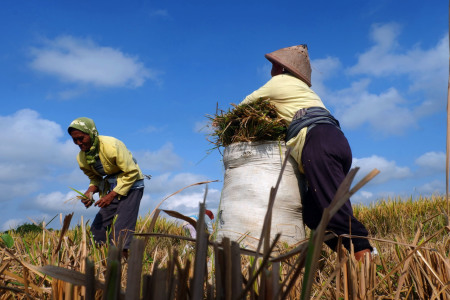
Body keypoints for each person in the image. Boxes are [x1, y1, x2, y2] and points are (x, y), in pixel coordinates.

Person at [239, 45, 373, 261]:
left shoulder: (279, 82)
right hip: (336, 141)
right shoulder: (305, 91)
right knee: (312, 213)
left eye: (273, 65)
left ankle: (369, 267)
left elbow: (243, 107)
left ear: (281, 68)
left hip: (318, 141)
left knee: (335, 211)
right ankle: (346, 262)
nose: (271, 70)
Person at [68, 117, 144, 256]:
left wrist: (111, 195)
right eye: (75, 140)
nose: (78, 143)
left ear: (91, 133)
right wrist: (89, 192)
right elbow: (95, 178)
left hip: (132, 184)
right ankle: (99, 261)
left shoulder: (112, 145)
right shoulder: (82, 157)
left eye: (81, 138)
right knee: (98, 228)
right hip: (111, 186)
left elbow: (131, 172)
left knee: (122, 230)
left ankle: (122, 264)